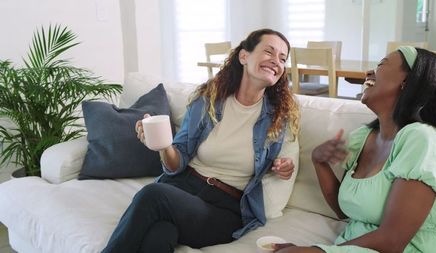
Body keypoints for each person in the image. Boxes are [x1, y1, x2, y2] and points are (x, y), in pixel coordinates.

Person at [101, 28, 300, 253]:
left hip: (224, 208)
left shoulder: (279, 117)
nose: (276, 62)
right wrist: (164, 145)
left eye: (282, 59)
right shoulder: (209, 100)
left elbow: (282, 162)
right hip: (182, 187)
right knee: (160, 234)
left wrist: (284, 167)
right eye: (269, 52)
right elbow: (176, 162)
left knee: (152, 194)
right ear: (244, 56)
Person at [274, 47, 436, 253]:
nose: (369, 73)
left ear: (407, 82)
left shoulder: (422, 139)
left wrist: (317, 250)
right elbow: (345, 210)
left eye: (381, 65)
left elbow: (394, 240)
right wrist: (320, 163)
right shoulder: (362, 137)